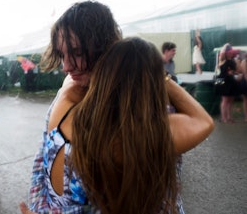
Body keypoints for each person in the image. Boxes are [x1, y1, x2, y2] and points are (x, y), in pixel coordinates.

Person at [70, 37, 214, 213]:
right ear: (154, 79)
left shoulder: (84, 124)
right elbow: (204, 121)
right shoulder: (160, 131)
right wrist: (163, 77)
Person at [20, 0, 123, 213]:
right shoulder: (68, 89)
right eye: (62, 55)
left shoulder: (136, 104)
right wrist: (38, 208)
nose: (66, 67)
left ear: (106, 47)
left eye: (76, 53)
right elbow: (43, 162)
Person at [217, 43, 240, 123]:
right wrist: (225, 45)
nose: (230, 52)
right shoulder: (222, 59)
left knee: (231, 99)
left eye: (231, 51)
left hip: (231, 80)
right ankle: (224, 118)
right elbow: (222, 53)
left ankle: (229, 117)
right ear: (226, 52)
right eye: (229, 51)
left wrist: (234, 72)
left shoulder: (233, 60)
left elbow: (236, 71)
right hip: (222, 80)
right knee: (224, 99)